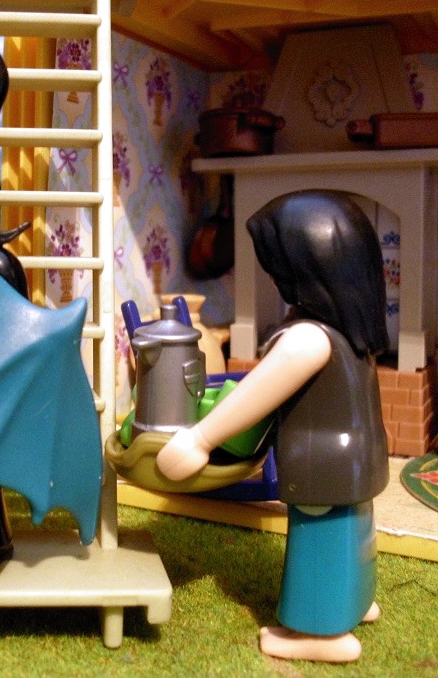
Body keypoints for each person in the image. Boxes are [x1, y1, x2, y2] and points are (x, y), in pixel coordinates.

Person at [157, 190, 390, 662]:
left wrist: (200, 438)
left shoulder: (308, 339)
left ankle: (320, 632)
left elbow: (258, 393)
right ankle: (356, 599)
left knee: (319, 539)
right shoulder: (353, 331)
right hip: (359, 453)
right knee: (354, 530)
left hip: (323, 463)